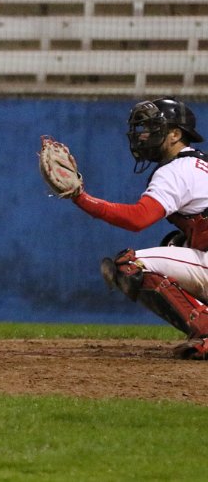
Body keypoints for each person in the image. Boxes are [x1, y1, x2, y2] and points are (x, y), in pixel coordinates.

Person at [65, 98, 208, 359]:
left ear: (175, 134)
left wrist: (81, 198)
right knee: (175, 244)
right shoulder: (200, 164)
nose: (142, 135)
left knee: (130, 265)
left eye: (152, 128)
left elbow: (137, 219)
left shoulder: (177, 169)